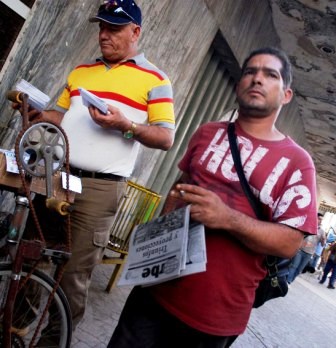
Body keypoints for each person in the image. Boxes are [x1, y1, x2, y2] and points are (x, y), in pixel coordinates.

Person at [108, 47, 317, 348]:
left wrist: (227, 218)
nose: (257, 79)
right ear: (238, 84)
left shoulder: (297, 162)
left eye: (270, 75)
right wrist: (155, 241)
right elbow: (180, 187)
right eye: (250, 72)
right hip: (154, 291)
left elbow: (289, 243)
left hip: (214, 317)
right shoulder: (208, 133)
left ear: (286, 95)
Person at [13, 0, 175, 335]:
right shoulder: (81, 71)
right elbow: (60, 115)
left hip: (100, 189)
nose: (104, 35)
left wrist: (124, 125)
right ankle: (14, 329)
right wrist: (36, 113)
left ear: (135, 32)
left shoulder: (156, 80)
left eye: (113, 28)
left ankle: (53, 341)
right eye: (101, 27)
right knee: (31, 254)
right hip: (57, 175)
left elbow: (164, 138)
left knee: (73, 274)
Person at [287, 213, 326, 283]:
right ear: (315, 217)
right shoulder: (308, 225)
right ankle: (288, 281)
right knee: (294, 266)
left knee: (299, 269)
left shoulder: (322, 231)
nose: (320, 221)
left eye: (321, 220)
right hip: (300, 250)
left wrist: (323, 240)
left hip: (309, 253)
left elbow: (323, 244)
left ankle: (290, 280)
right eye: (319, 219)